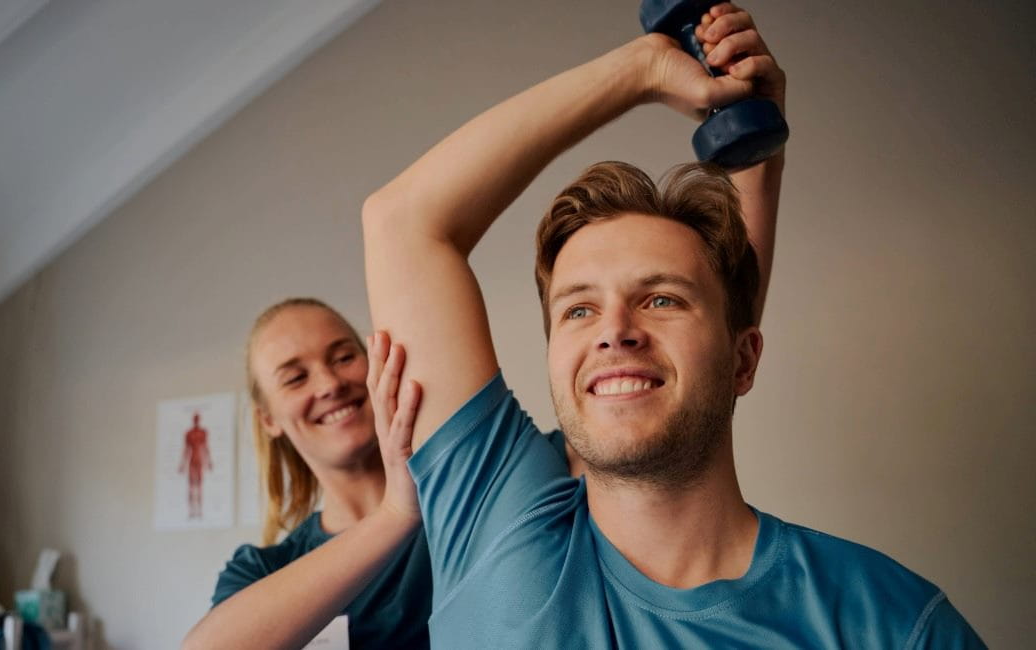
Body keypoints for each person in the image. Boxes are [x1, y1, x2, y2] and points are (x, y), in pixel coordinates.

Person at [361, 3, 984, 648]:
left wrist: (756, 153)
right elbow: (402, 223)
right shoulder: (499, 531)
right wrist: (642, 71)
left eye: (660, 300)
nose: (615, 331)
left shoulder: (887, 622)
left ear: (745, 360)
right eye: (578, 308)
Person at [181, 298, 431, 649]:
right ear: (268, 419)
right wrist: (396, 514)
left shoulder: (470, 493)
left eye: (344, 358)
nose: (330, 384)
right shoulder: (262, 571)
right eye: (296, 378)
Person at [178, 412, 213, 519]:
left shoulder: (203, 432)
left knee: (200, 487)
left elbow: (205, 448)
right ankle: (191, 511)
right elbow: (186, 450)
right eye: (195, 419)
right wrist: (182, 464)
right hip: (192, 460)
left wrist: (209, 461)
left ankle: (199, 510)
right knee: (191, 487)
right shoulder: (189, 433)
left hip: (199, 460)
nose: (196, 421)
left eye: (197, 419)